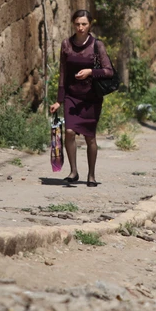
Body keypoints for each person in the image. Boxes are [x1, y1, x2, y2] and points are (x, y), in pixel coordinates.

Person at [49, 10, 114, 187]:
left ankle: (91, 175)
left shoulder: (96, 45)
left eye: (84, 24)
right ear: (73, 24)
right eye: (77, 24)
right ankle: (73, 171)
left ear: (90, 25)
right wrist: (59, 100)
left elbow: (109, 71)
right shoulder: (66, 45)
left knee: (90, 137)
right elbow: (62, 73)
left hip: (91, 97)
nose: (80, 27)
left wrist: (91, 71)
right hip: (72, 96)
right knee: (69, 132)